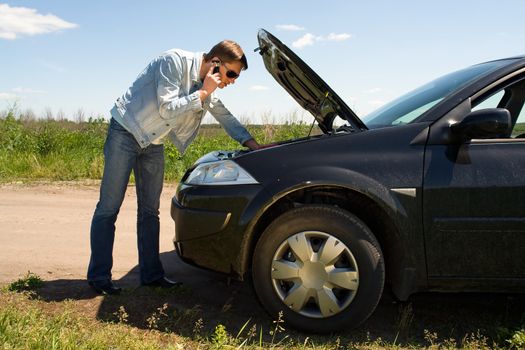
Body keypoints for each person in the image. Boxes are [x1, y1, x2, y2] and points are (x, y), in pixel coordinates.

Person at [87, 40, 260, 295]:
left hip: (153, 142)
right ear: (215, 63)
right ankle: (99, 278)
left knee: (150, 211)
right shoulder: (173, 61)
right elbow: (167, 108)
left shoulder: (205, 85)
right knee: (108, 208)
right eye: (231, 73)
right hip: (125, 132)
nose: (232, 80)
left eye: (235, 76)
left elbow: (223, 115)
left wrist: (254, 145)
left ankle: (152, 275)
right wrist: (202, 93)